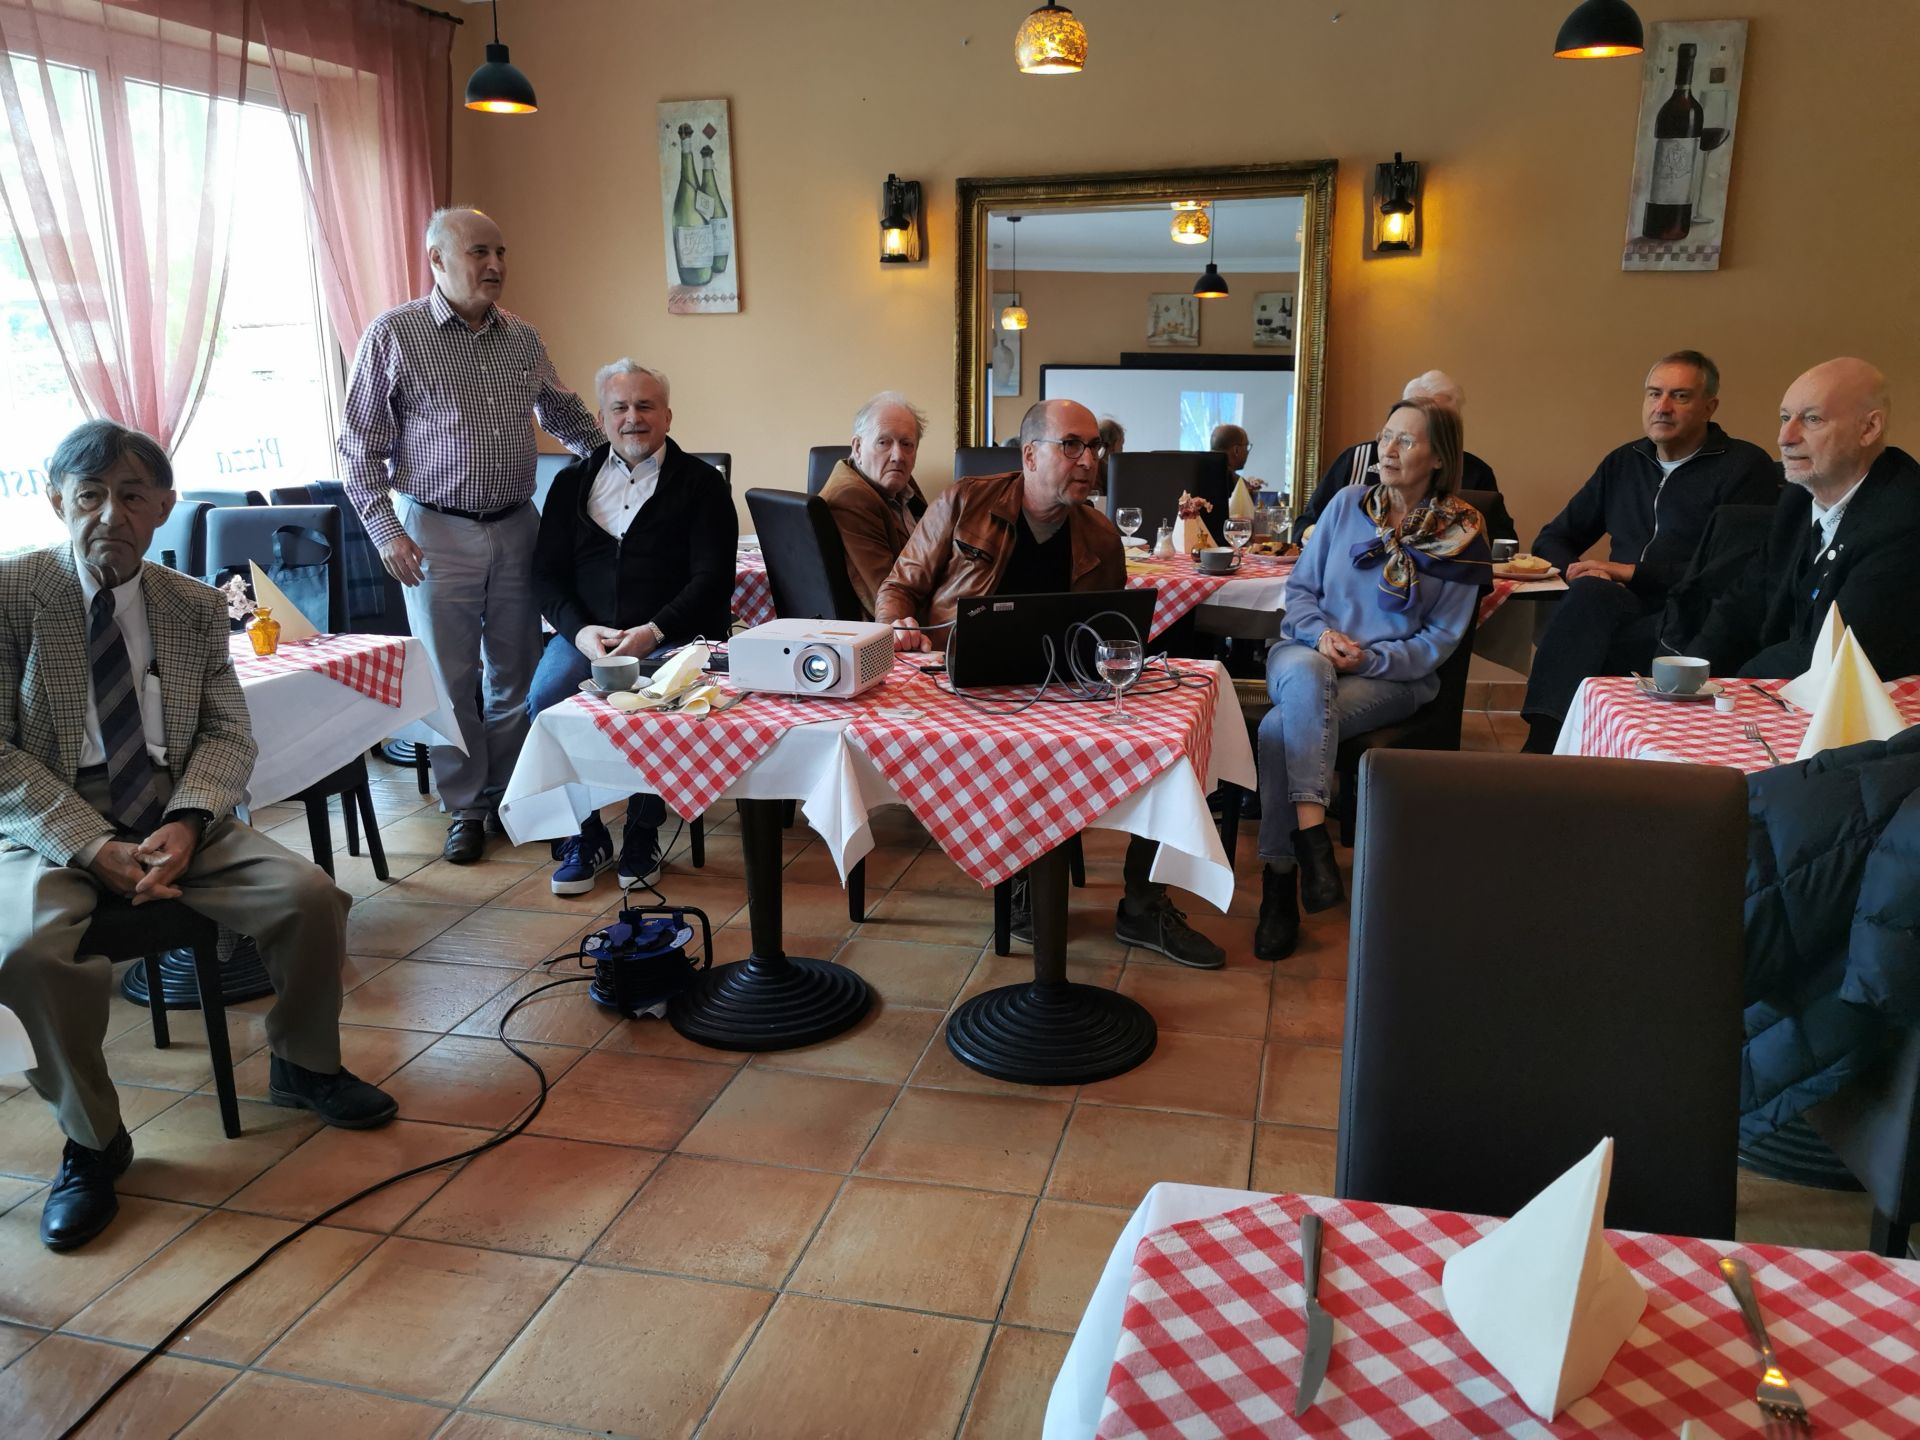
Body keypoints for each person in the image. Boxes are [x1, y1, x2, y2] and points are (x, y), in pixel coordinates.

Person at [0, 422, 397, 1251]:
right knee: (27, 952)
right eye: (90, 495)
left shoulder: (194, 604)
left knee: (311, 896)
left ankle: (303, 1064)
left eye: (132, 495)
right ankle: (92, 1141)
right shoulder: (12, 595)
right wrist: (89, 844)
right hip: (49, 814)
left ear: (164, 507)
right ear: (57, 502)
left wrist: (187, 820)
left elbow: (226, 733)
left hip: (173, 807)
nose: (110, 514)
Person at [877, 400, 1226, 968]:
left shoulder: (1101, 536)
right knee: (1030, 748)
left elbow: (1109, 630)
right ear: (1031, 454)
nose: (1088, 460)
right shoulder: (964, 501)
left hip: (1061, 689)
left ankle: (1143, 904)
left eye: (1093, 447)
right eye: (1071, 445)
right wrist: (900, 625)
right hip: (963, 685)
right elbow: (898, 587)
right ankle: (1021, 876)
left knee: (1168, 741)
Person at [339, 206, 603, 864]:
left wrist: (626, 467)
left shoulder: (523, 338)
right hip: (434, 531)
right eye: (479, 252)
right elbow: (358, 448)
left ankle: (512, 795)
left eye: (500, 252)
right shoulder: (394, 334)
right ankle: (465, 808)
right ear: (437, 259)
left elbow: (565, 415)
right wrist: (386, 532)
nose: (495, 265)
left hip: (517, 526)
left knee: (517, 674)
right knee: (449, 681)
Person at [1255, 398, 1488, 962]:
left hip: (1392, 677)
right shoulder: (1345, 504)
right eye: (1386, 436)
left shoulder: (1463, 533)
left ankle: (1280, 882)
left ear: (1439, 457)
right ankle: (1313, 838)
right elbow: (1300, 592)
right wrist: (1321, 638)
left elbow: (1439, 640)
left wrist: (1367, 661)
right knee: (1308, 672)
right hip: (1305, 651)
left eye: (1406, 440)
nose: (1388, 450)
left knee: (1277, 730)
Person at [530, 362, 735, 893]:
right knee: (546, 698)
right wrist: (580, 633)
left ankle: (643, 832)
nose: (633, 418)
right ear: (600, 419)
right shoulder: (570, 484)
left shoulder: (702, 485)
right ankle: (586, 833)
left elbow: (713, 578)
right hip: (589, 637)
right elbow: (545, 576)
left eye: (645, 406)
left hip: (673, 637)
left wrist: (654, 631)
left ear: (667, 415)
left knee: (658, 701)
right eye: (619, 407)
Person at [1520, 351, 1778, 752]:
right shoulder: (1625, 463)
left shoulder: (1744, 466)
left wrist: (1630, 572)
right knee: (1590, 594)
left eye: (1680, 396)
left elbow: (1729, 571)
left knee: (1589, 630)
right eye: (1654, 394)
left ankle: (1550, 749)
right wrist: (1579, 570)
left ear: (1709, 407)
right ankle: (1549, 741)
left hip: (1695, 615)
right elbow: (1553, 538)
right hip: (1622, 606)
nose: (1662, 406)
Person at [1679, 357, 1920, 679]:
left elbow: (1838, 654)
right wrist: (1690, 674)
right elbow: (1743, 604)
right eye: (1784, 418)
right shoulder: (1798, 498)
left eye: (1812, 419)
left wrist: (1738, 687)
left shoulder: (1904, 516)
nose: (1785, 437)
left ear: (1868, 428)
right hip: (1785, 684)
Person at [1297, 370, 1502, 537]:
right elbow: (1305, 525)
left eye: (1440, 420)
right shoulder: (1355, 465)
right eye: (1417, 410)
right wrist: (1329, 535)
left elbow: (1500, 544)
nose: (1389, 450)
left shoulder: (1476, 475)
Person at [819, 392, 930, 617]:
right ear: (858, 447)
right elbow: (885, 597)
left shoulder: (899, 483)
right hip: (894, 628)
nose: (898, 455)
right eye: (883, 442)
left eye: (907, 444)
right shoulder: (851, 497)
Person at [1211, 423, 1264, 517]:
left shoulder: (1193, 474)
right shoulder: (1239, 485)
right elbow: (1248, 520)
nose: (1247, 452)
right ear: (1236, 450)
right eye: (1246, 446)